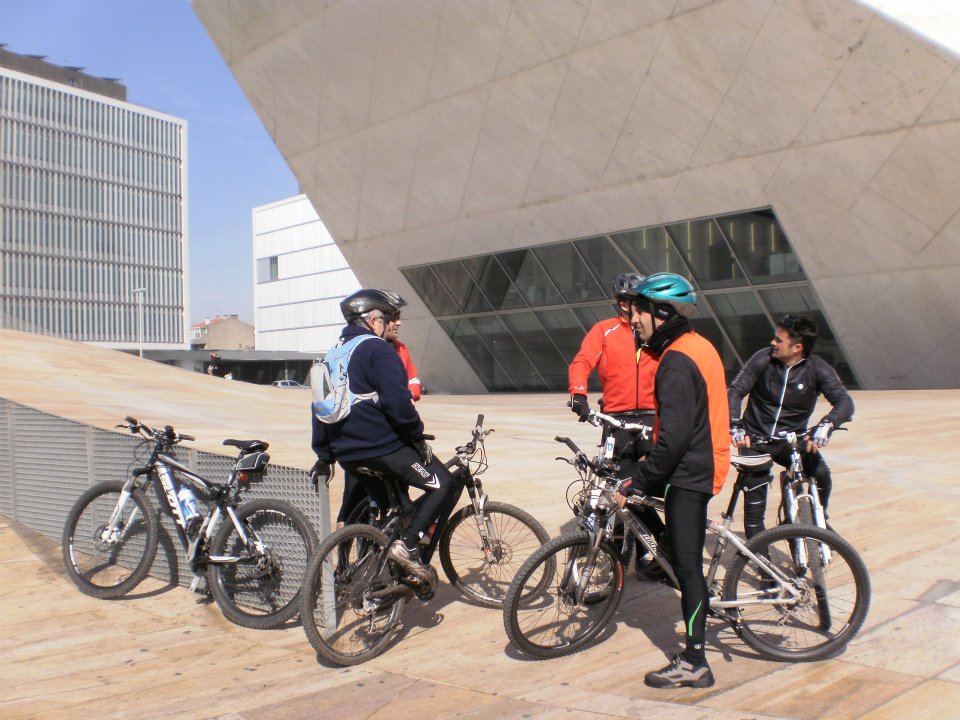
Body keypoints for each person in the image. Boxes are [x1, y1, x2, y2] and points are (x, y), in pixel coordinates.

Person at [612, 272, 730, 689]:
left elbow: (676, 438)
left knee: (688, 567)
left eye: (640, 312)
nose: (633, 319)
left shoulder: (676, 361)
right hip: (699, 459)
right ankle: (663, 549)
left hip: (692, 472)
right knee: (637, 489)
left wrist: (641, 480)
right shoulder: (695, 345)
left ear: (661, 313)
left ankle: (695, 661)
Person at [311, 288, 455, 587]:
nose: (396, 322)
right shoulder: (378, 350)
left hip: (347, 453)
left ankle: (373, 568)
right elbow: (398, 404)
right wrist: (416, 436)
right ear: (372, 320)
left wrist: (324, 455)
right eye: (390, 316)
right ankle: (408, 547)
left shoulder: (332, 353)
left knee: (395, 508)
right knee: (443, 483)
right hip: (380, 448)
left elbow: (320, 408)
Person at [727, 314, 854, 540]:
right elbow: (735, 391)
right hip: (755, 439)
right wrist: (735, 425)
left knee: (821, 474)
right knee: (754, 508)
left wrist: (827, 424)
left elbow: (844, 402)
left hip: (792, 441)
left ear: (797, 348)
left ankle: (817, 517)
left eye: (779, 340)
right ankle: (762, 561)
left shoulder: (817, 368)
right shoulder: (763, 359)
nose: (772, 343)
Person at [568, 272, 660, 576]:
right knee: (614, 489)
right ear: (620, 302)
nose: (634, 305)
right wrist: (579, 394)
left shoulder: (654, 332)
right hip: (616, 420)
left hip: (652, 418)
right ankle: (614, 551)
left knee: (646, 490)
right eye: (631, 300)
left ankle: (650, 552)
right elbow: (582, 361)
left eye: (639, 300)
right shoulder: (604, 330)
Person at [334, 290, 422, 530]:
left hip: (391, 433)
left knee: (399, 497)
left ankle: (400, 542)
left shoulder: (399, 349)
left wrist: (409, 394)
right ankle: (341, 550)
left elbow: (413, 381)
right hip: (369, 434)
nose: (398, 323)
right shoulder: (365, 347)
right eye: (394, 317)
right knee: (352, 500)